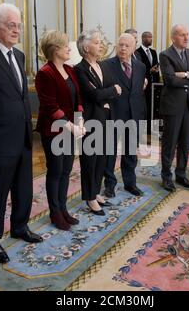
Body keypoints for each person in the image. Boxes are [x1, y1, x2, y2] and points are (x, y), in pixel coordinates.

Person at [0, 3, 42, 263]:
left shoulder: (21, 55)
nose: (17, 29)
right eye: (11, 25)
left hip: (23, 135)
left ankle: (20, 226)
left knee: (23, 187)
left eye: (18, 25)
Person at [35, 30, 85, 230]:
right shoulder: (45, 73)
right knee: (55, 171)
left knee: (66, 170)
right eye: (65, 45)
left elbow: (78, 100)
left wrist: (79, 122)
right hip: (54, 131)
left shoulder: (69, 69)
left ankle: (63, 208)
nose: (69, 48)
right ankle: (55, 212)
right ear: (55, 49)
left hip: (72, 129)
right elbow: (50, 106)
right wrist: (72, 126)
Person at [75, 30, 122, 216]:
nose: (101, 45)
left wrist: (106, 92)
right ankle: (89, 197)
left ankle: (95, 191)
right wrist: (108, 92)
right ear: (86, 47)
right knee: (90, 160)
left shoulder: (102, 66)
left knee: (101, 159)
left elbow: (114, 87)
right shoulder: (79, 69)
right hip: (91, 120)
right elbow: (93, 94)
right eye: (97, 42)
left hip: (106, 118)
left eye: (100, 42)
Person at [159, 25, 189, 192]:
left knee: (185, 142)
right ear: (173, 38)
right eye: (182, 35)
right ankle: (166, 177)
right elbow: (170, 80)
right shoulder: (165, 55)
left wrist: (186, 74)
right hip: (173, 106)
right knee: (170, 143)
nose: (186, 38)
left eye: (187, 35)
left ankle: (181, 174)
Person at [103, 33, 147, 198]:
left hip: (134, 116)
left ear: (133, 48)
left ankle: (130, 183)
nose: (122, 48)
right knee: (110, 153)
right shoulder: (106, 65)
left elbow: (138, 93)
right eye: (120, 44)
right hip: (114, 116)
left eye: (126, 46)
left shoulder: (141, 67)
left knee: (130, 152)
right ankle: (109, 185)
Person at [136, 31, 160, 137]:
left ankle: (153, 130)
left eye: (151, 37)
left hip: (153, 86)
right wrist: (149, 71)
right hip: (143, 86)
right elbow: (138, 69)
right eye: (149, 37)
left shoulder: (154, 52)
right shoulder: (138, 52)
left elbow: (156, 68)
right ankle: (144, 130)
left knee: (154, 108)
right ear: (143, 38)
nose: (150, 39)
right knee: (144, 109)